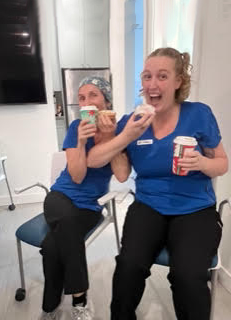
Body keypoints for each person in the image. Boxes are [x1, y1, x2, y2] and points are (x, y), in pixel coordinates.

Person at [87, 47, 229, 320]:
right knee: (129, 267)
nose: (152, 84)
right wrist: (118, 138)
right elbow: (120, 173)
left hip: (194, 208)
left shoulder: (198, 114)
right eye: (147, 76)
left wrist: (201, 163)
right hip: (149, 206)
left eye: (162, 76)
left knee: (187, 276)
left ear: (178, 82)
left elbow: (222, 163)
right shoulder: (133, 122)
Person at [39, 76, 130, 320]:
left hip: (89, 207)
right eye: (81, 98)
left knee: (51, 246)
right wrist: (80, 141)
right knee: (66, 225)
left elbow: (122, 175)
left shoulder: (120, 129)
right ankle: (80, 300)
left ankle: (49, 308)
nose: (87, 102)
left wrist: (110, 138)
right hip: (59, 198)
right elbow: (77, 177)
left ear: (106, 100)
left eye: (93, 95)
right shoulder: (75, 128)